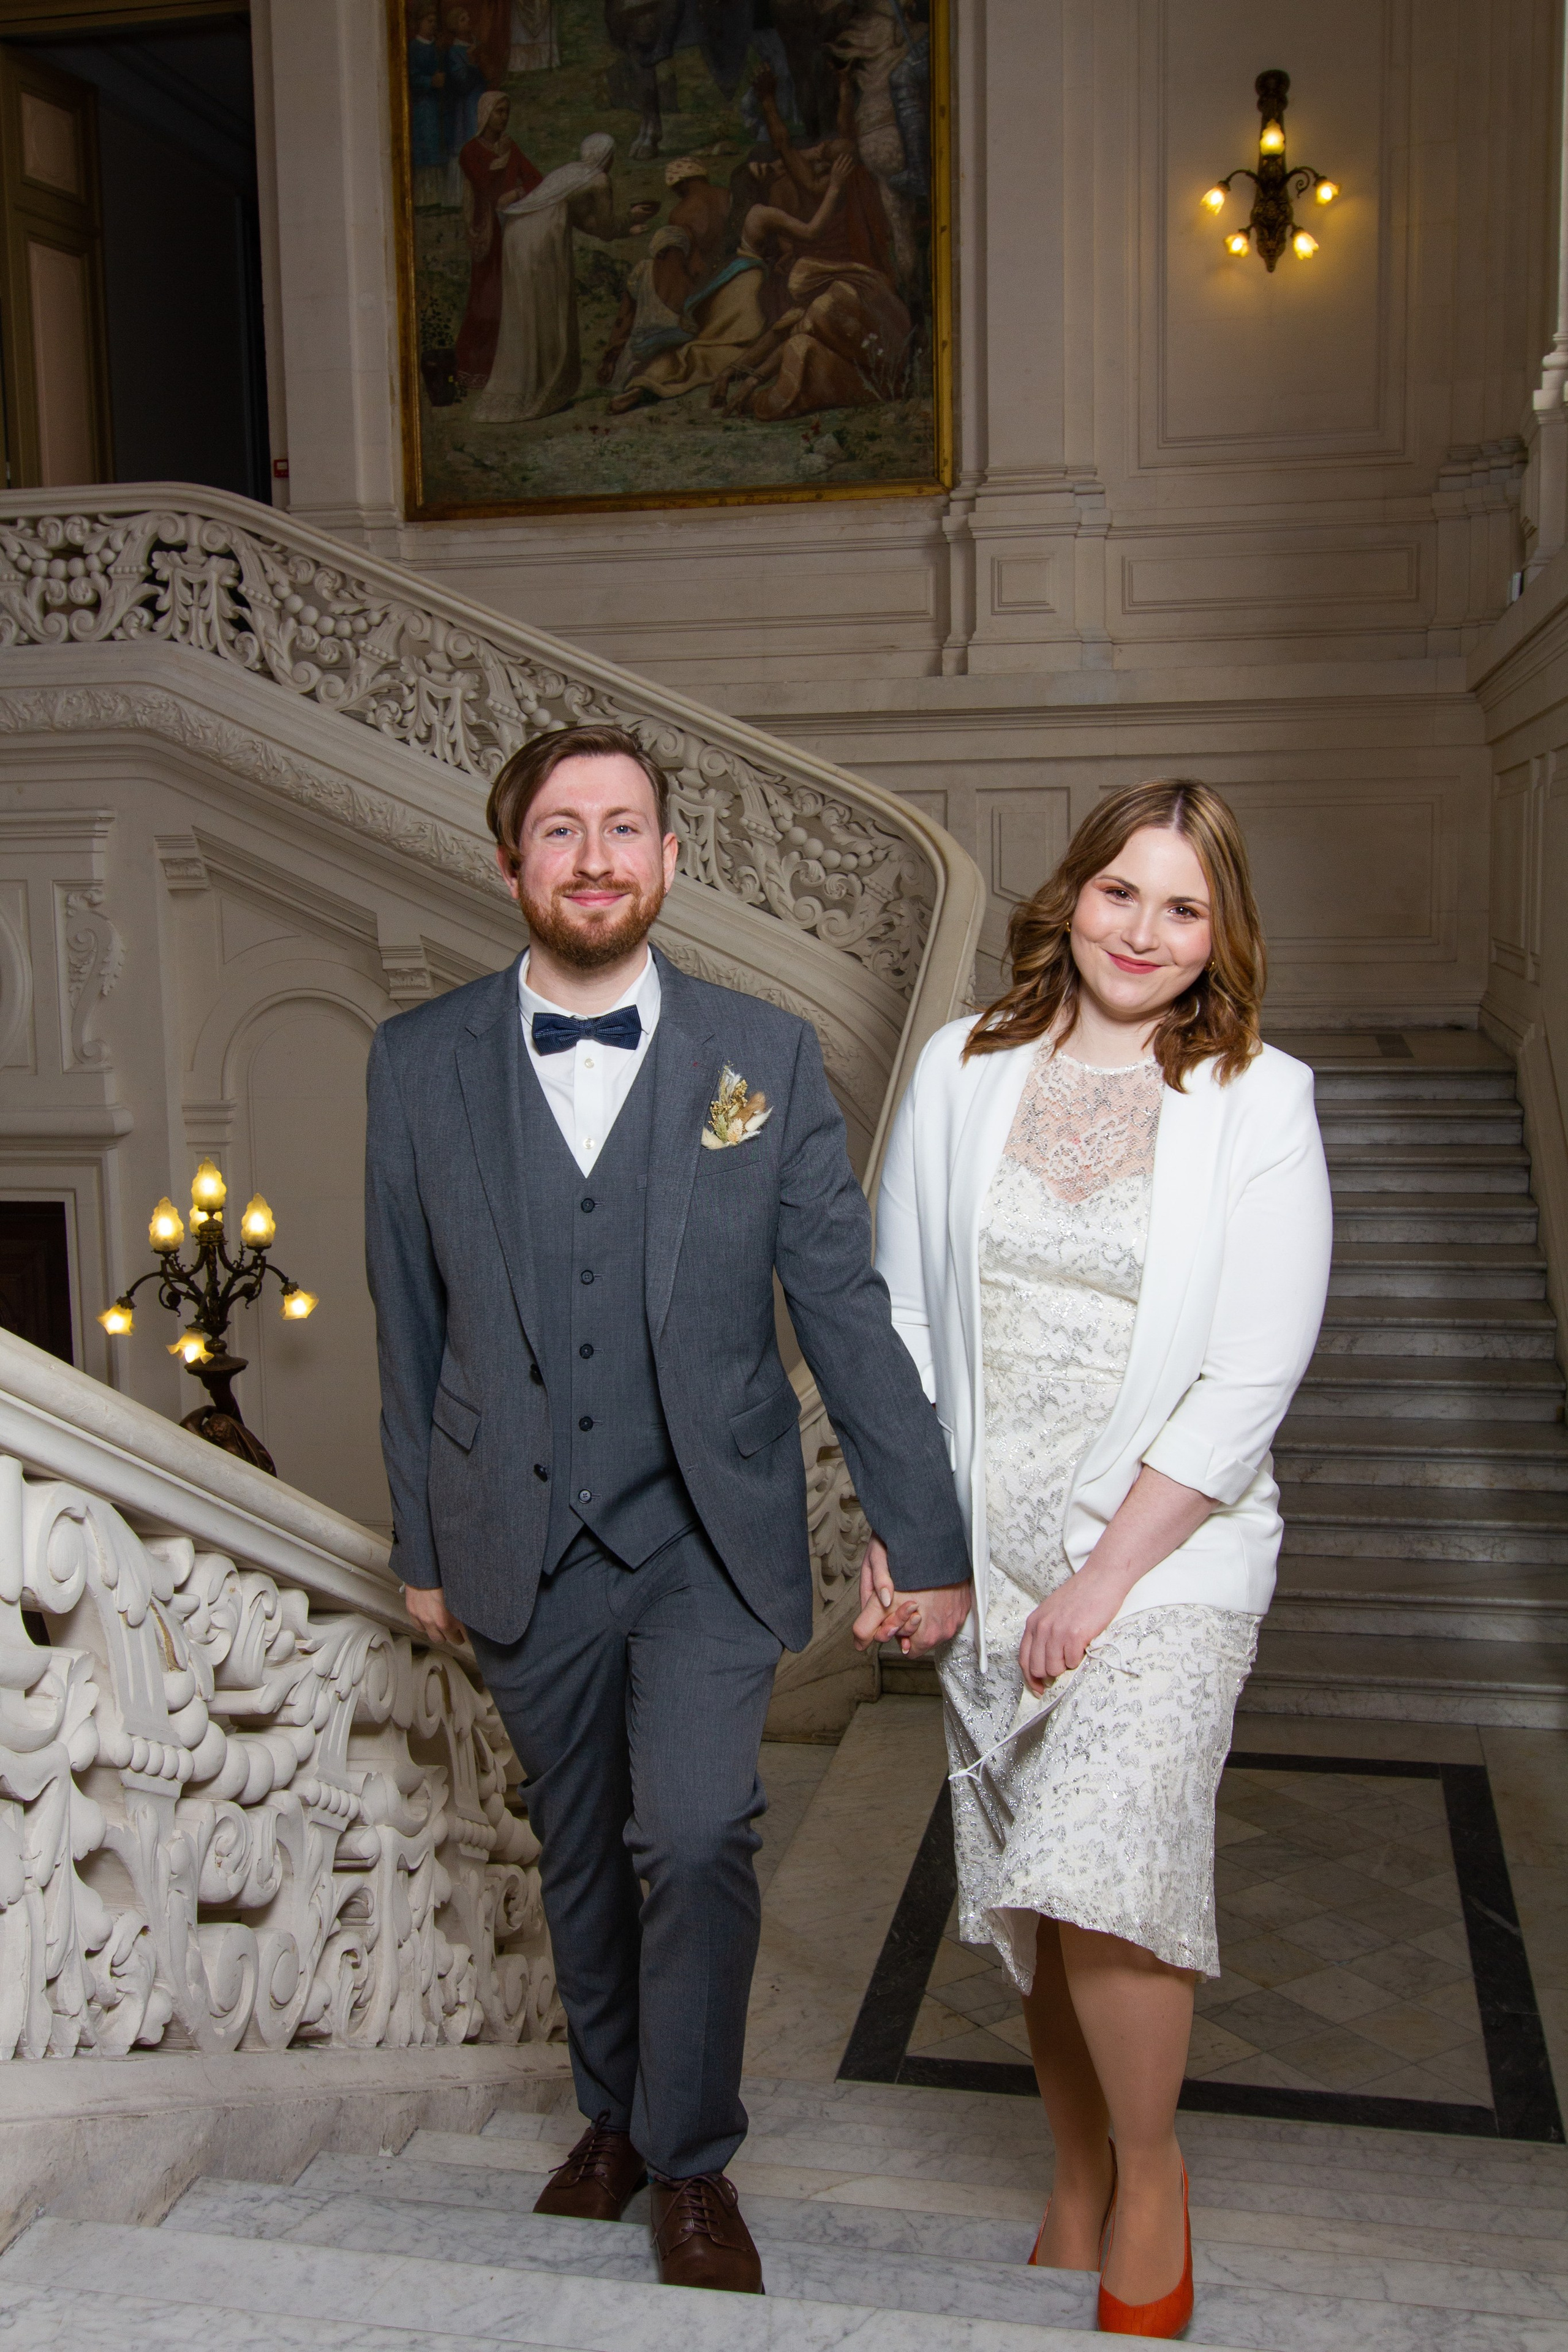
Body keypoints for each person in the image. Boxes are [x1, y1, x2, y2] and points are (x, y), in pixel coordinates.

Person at [364, 722, 970, 2296]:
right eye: (559, 831)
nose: (592, 857)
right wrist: (423, 1538)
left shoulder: (757, 1059)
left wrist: (931, 1531)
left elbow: (841, 1309)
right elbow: (406, 1320)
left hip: (704, 1530)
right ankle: (615, 2118)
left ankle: (690, 2157)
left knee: (693, 1833)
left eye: (622, 827)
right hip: (517, 1524)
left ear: (669, 861)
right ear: (511, 865)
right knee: (576, 1849)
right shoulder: (416, 1058)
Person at [862, 780, 1331, 2339]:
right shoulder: (961, 1067)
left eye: (1182, 906)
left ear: (1219, 936)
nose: (1143, 930)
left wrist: (1105, 1576)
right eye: (1120, 892)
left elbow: (1249, 1375)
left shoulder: (1259, 1097)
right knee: (1030, 1892)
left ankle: (1148, 2177)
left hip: (1166, 1552)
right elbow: (905, 1321)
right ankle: (1072, 2169)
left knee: (1104, 1873)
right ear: (1069, 896)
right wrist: (911, 1538)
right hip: (987, 1552)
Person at [470, 135, 657, 423]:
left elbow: (585, 221)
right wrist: (631, 218)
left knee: (523, 314)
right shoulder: (599, 180)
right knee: (546, 311)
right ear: (607, 156)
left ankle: (519, 389)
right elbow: (605, 227)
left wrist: (627, 228)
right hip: (541, 242)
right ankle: (541, 389)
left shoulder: (568, 172)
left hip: (518, 236)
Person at [454, 90, 543, 390]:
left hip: (512, 227)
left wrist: (517, 193)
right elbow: (485, 187)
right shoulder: (470, 152)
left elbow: (534, 178)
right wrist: (502, 193)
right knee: (487, 299)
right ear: (485, 114)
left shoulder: (510, 146)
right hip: (488, 231)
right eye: (498, 112)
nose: (503, 118)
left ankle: (511, 366)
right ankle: (476, 368)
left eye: (507, 112)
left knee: (514, 298)